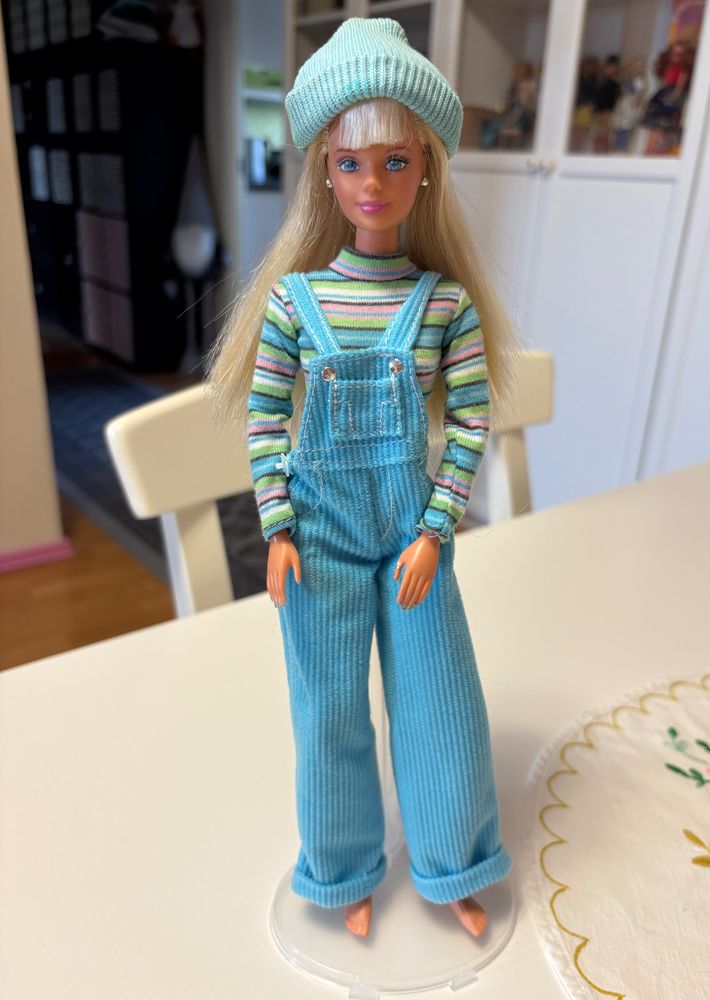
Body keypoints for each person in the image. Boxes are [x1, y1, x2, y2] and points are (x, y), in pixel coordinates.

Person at [208, 17, 514, 939]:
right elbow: (266, 420)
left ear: (426, 170)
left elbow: (472, 421)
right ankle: (341, 871)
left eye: (394, 161)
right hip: (319, 540)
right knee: (329, 711)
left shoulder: (445, 305)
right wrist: (277, 528)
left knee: (441, 702)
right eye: (350, 163)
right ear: (325, 174)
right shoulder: (294, 303)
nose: (372, 184)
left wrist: (436, 528)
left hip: (412, 536)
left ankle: (453, 860)